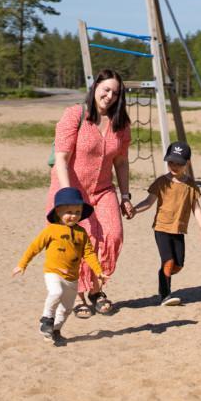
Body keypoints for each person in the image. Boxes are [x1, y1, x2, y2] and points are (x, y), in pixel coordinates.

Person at [49, 69, 134, 318]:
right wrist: (67, 195)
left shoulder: (121, 124)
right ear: (95, 86)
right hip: (72, 192)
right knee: (80, 243)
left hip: (103, 190)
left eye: (115, 93)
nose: (109, 96)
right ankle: (80, 297)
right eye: (106, 89)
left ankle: (97, 288)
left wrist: (125, 196)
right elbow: (62, 160)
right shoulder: (75, 115)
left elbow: (121, 162)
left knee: (113, 235)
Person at [12, 187, 108, 346]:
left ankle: (54, 330)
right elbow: (34, 247)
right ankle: (46, 319)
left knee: (66, 309)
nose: (74, 215)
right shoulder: (51, 230)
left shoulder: (81, 233)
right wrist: (22, 265)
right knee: (56, 292)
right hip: (53, 272)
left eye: (77, 212)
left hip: (72, 278)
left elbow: (89, 254)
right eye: (69, 211)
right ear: (58, 211)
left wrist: (98, 271)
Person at [130, 141, 201, 306]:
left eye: (178, 163)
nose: (174, 165)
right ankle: (165, 294)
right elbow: (149, 201)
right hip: (162, 228)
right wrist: (135, 210)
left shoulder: (191, 185)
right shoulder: (161, 182)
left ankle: (163, 275)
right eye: (171, 161)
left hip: (179, 230)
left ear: (187, 163)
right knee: (168, 261)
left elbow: (196, 208)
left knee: (178, 265)